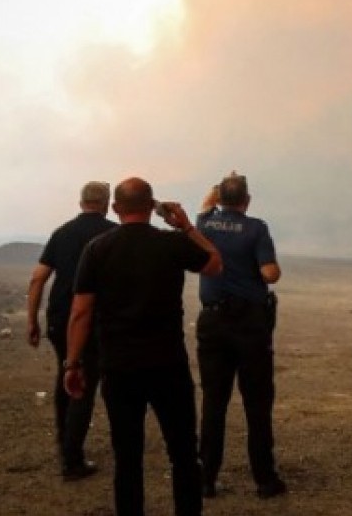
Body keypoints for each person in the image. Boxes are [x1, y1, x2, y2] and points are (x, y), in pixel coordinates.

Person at [63, 178, 223, 516]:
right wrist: (186, 226)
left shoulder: (97, 249)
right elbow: (214, 262)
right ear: (153, 207)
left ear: (115, 208)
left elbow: (80, 312)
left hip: (119, 369)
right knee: (182, 453)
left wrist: (72, 364)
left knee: (128, 458)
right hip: (168, 366)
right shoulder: (171, 244)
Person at [195, 172, 287, 500]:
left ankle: (205, 478)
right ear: (247, 201)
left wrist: (219, 187)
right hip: (250, 324)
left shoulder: (203, 224)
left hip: (213, 322)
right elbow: (270, 273)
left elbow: (205, 206)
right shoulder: (256, 228)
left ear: (219, 199)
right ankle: (264, 479)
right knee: (257, 404)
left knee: (214, 402)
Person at [25, 180, 115, 481]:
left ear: (81, 203)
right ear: (106, 204)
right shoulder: (112, 234)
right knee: (83, 384)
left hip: (58, 318)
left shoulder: (62, 233)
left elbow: (38, 278)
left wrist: (32, 320)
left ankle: (64, 439)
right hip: (92, 321)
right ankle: (72, 460)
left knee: (65, 370)